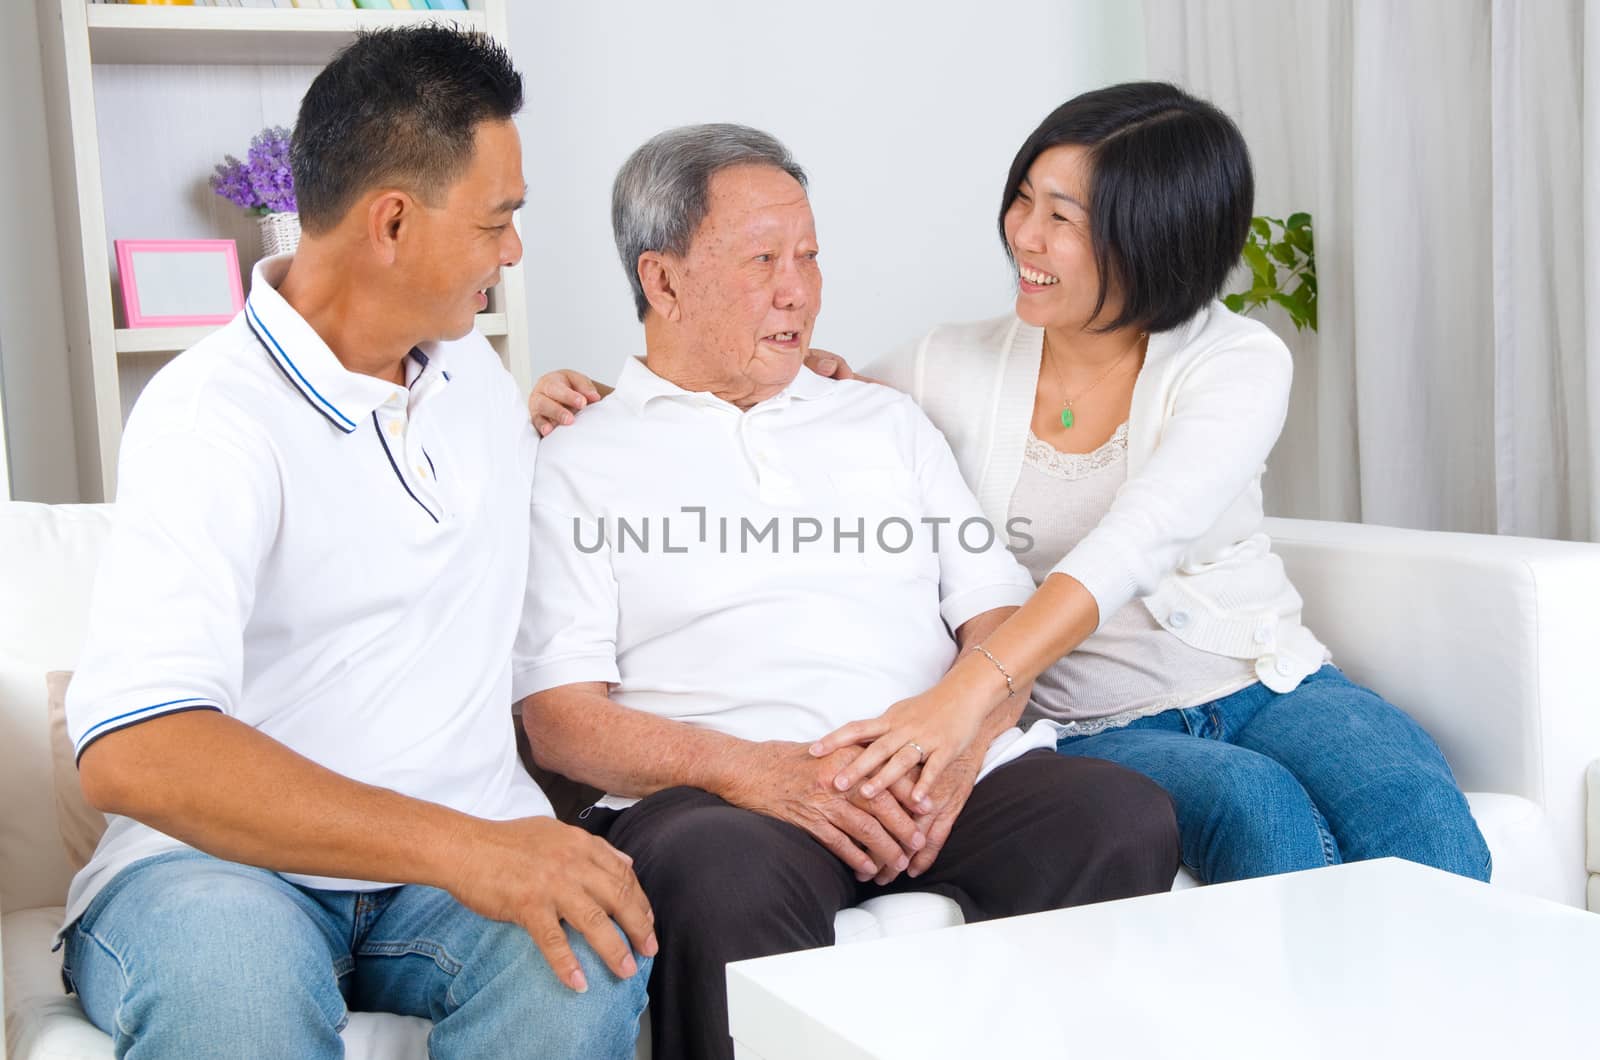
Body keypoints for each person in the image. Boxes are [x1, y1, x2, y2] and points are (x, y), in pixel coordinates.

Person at [531, 83, 1491, 889]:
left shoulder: (1234, 361)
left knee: (1419, 811)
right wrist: (620, 404)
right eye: (1024, 197)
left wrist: (958, 706)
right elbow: (753, 392)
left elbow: (1139, 541)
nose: (1023, 234)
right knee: (1257, 808)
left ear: (1148, 236)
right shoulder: (949, 365)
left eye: (1063, 218)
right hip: (1086, 714)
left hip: (1264, 676)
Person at [516, 122, 1180, 1060]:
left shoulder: (883, 419)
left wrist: (950, 749)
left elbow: (998, 620)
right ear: (661, 281)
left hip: (931, 775)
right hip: (720, 800)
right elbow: (559, 720)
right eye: (761, 260)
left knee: (1118, 817)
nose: (799, 289)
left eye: (810, 256)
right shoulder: (576, 455)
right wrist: (758, 771)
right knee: (721, 874)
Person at [61, 27, 653, 1060]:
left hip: (452, 875)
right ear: (390, 222)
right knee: (232, 996)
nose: (514, 251)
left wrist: (786, 389)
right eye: (498, 220)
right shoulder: (210, 415)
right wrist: (468, 848)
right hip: (213, 872)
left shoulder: (474, 387)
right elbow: (133, 750)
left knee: (585, 962)